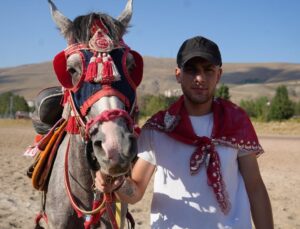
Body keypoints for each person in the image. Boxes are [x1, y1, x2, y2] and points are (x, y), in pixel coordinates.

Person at [95, 36, 274, 229]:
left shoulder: (236, 123)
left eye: (208, 70)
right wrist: (116, 183)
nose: (200, 78)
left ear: (219, 75)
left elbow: (255, 188)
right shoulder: (158, 128)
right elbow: (136, 191)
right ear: (178, 74)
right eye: (191, 70)